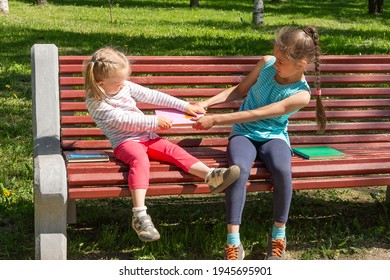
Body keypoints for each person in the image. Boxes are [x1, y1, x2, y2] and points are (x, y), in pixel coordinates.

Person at [193, 26, 326, 260]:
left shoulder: (301, 94)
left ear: (301, 64)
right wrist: (206, 103)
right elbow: (240, 90)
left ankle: (278, 236)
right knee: (238, 171)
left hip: (273, 136)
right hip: (243, 133)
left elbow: (261, 113)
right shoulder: (266, 63)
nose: (275, 63)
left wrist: (216, 119)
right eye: (275, 56)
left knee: (283, 171)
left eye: (281, 61)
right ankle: (233, 242)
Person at [82, 47, 240, 243]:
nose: (123, 85)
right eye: (118, 82)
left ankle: (210, 176)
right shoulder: (95, 101)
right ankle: (140, 215)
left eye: (124, 80)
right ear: (100, 83)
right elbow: (121, 120)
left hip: (148, 136)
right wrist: (154, 122)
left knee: (173, 150)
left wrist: (184, 106)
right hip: (125, 142)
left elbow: (153, 96)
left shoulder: (125, 86)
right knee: (140, 160)